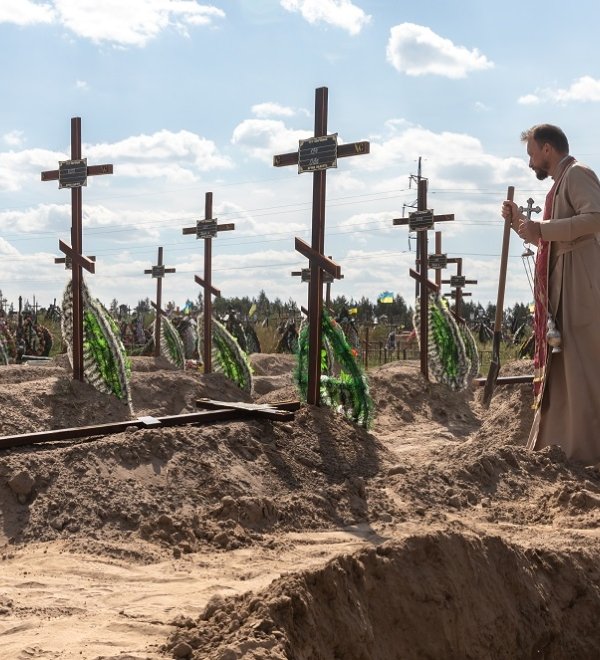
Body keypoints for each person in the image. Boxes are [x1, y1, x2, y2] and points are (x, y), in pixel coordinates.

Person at [501, 124, 600, 465]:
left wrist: (541, 228)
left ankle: (588, 451)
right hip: (564, 287)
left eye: (531, 153)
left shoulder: (577, 174)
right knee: (566, 370)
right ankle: (563, 449)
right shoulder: (558, 186)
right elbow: (547, 239)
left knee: (585, 369)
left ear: (547, 149)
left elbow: (595, 218)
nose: (530, 161)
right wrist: (519, 222)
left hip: (581, 285)